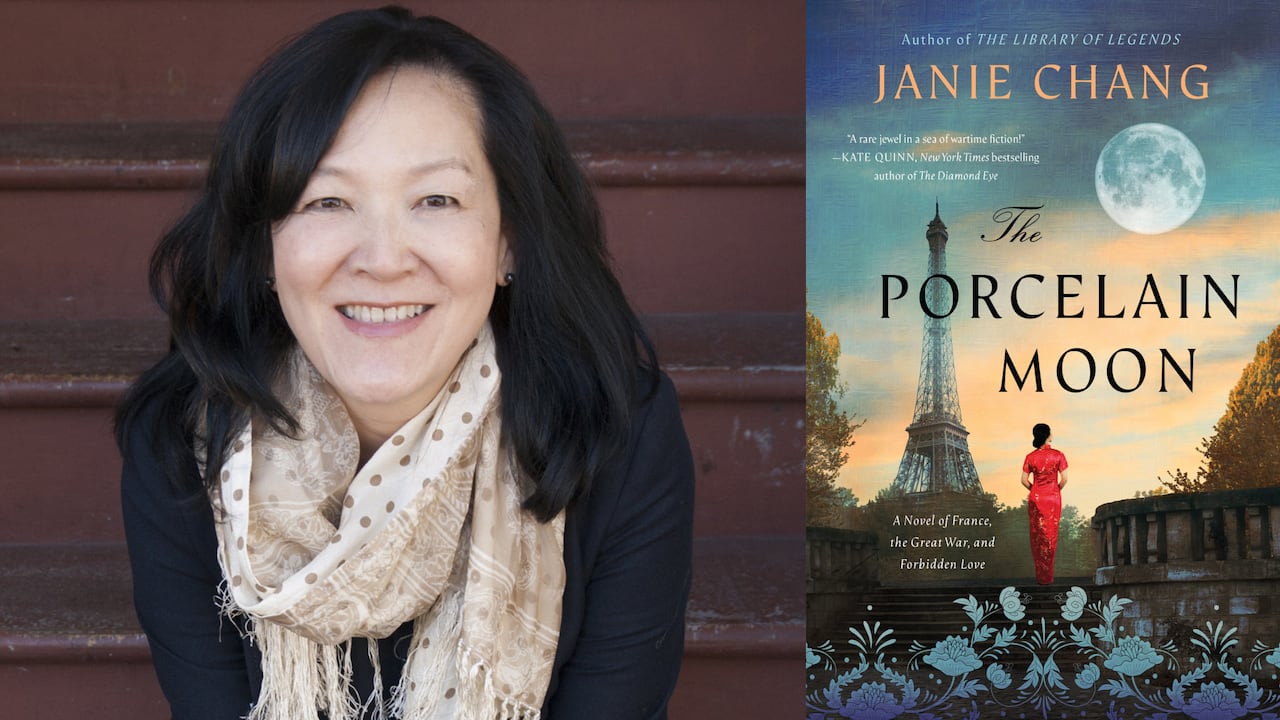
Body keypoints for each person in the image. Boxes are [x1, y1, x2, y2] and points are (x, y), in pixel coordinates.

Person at [115, 7, 694, 720]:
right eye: (328, 200)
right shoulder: (185, 446)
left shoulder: (617, 436)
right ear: (263, 245)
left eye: (436, 200)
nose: (383, 260)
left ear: (508, 241)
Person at [1020, 423, 1068, 585]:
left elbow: (1024, 480)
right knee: (1051, 536)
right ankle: (1049, 577)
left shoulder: (1030, 457)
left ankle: (1040, 577)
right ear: (1048, 435)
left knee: (1037, 536)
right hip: (1053, 498)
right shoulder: (1059, 455)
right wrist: (1055, 491)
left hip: (1036, 498)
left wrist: (1036, 491)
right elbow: (1065, 479)